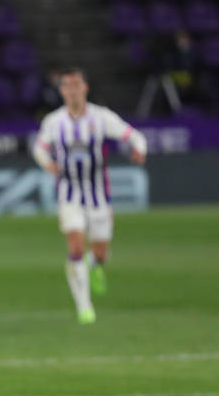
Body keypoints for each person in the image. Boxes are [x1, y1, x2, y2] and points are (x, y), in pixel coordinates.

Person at [32, 67, 147, 324]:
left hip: (98, 196)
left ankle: (94, 265)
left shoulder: (101, 117)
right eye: (67, 86)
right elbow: (39, 148)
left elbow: (134, 135)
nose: (72, 90)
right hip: (69, 195)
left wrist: (139, 149)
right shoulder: (54, 121)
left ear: (85, 88)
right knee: (74, 247)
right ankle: (84, 307)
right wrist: (48, 164)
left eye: (76, 85)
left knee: (101, 252)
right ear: (61, 91)